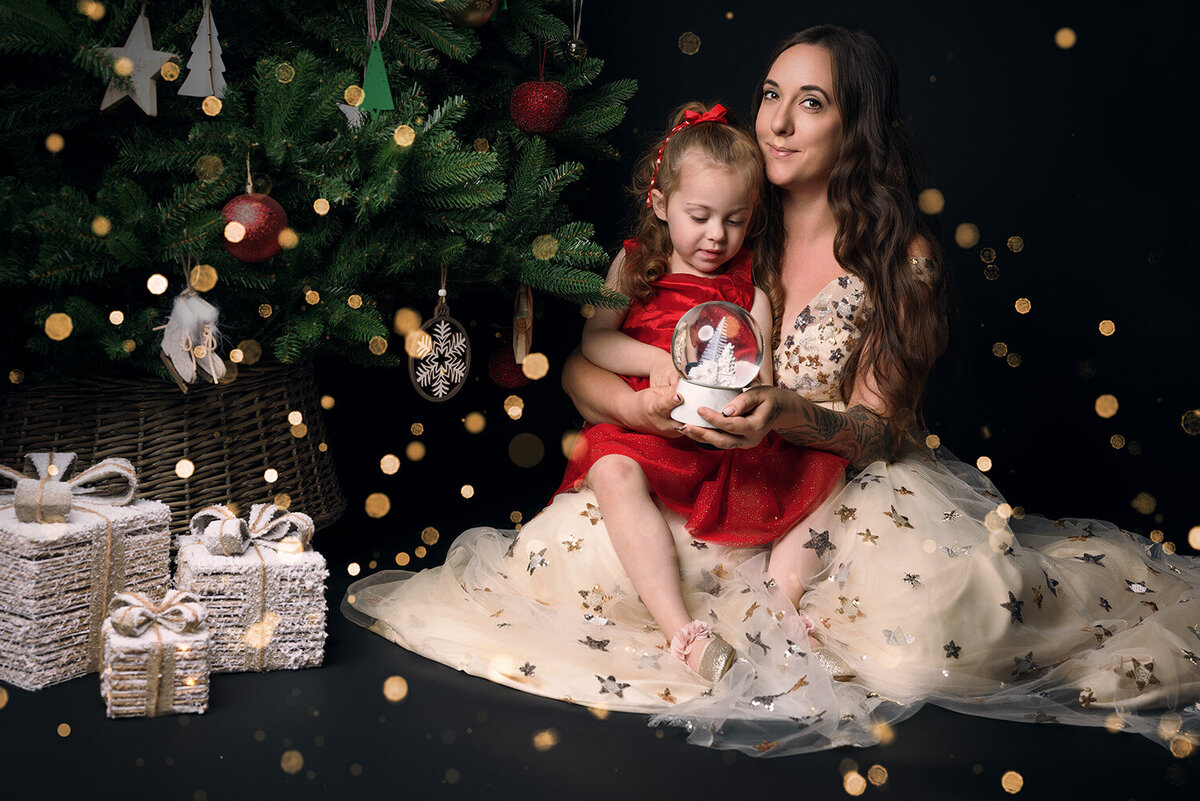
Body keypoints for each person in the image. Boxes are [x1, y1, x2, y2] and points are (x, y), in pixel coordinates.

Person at [346, 25, 1200, 756]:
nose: (780, 122)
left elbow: (877, 430)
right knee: (560, 563)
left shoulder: (897, 259)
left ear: (855, 125)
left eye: (812, 103)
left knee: (928, 641)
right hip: (706, 473)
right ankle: (697, 619)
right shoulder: (724, 222)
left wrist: (787, 412)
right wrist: (641, 403)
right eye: (770, 95)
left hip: (833, 484)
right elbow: (579, 367)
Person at [553, 101, 846, 680]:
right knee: (610, 468)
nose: (716, 236)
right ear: (660, 205)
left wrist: (740, 414)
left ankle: (778, 606)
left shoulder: (748, 291)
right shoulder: (636, 268)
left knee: (820, 471)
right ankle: (681, 632)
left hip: (713, 441)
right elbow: (595, 342)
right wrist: (656, 359)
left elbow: (757, 373)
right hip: (644, 429)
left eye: (734, 220)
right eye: (700, 215)